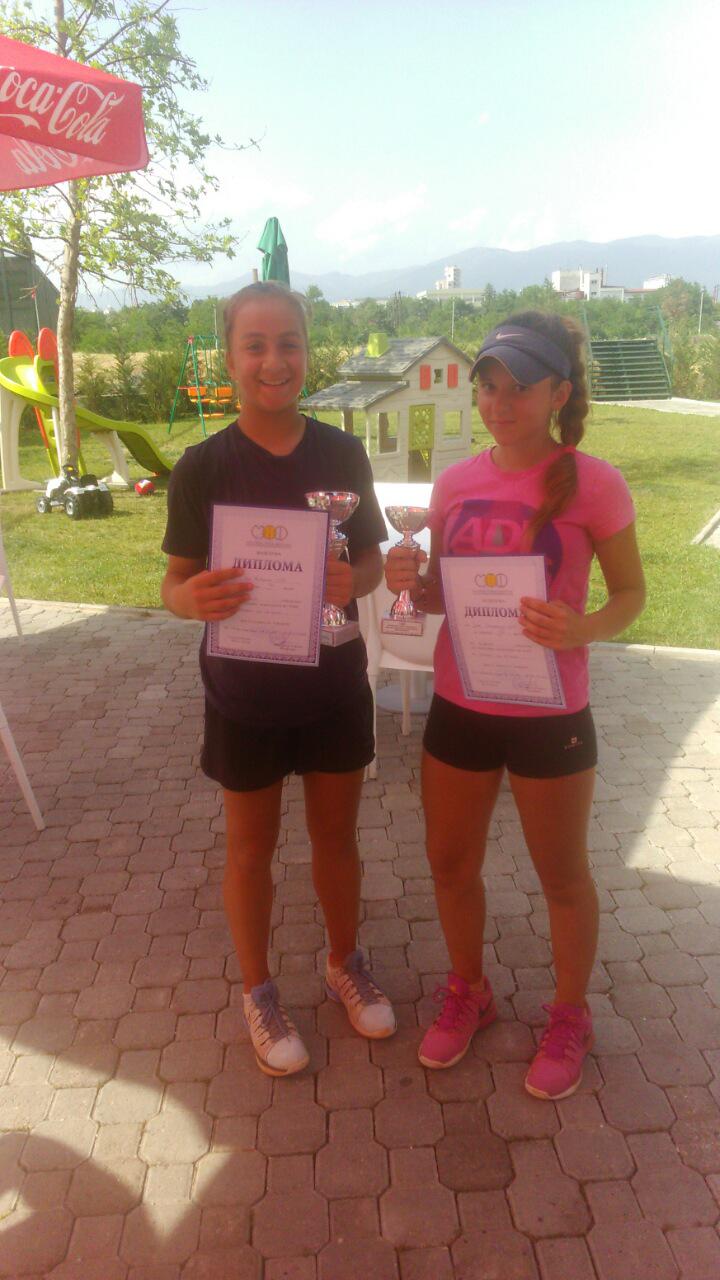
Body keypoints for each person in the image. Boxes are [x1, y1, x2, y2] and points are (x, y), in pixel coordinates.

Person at [385, 311, 645, 1100]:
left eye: (520, 388)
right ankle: (470, 990)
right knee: (448, 863)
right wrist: (411, 583)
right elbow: (445, 594)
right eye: (488, 385)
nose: (499, 403)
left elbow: (631, 595)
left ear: (558, 393)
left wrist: (583, 627)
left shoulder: (595, 483)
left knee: (561, 875)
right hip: (461, 703)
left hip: (551, 715)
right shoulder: (455, 483)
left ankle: (569, 1014)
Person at [161, 282, 396, 1077]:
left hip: (333, 688)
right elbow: (174, 583)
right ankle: (258, 992)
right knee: (249, 851)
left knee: (337, 839)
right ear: (228, 358)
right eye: (255, 345)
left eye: (288, 343)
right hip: (244, 696)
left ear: (306, 351)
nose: (273, 360)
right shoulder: (202, 468)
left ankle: (344, 963)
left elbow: (370, 560)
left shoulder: (343, 455)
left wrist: (356, 581)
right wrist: (189, 599)